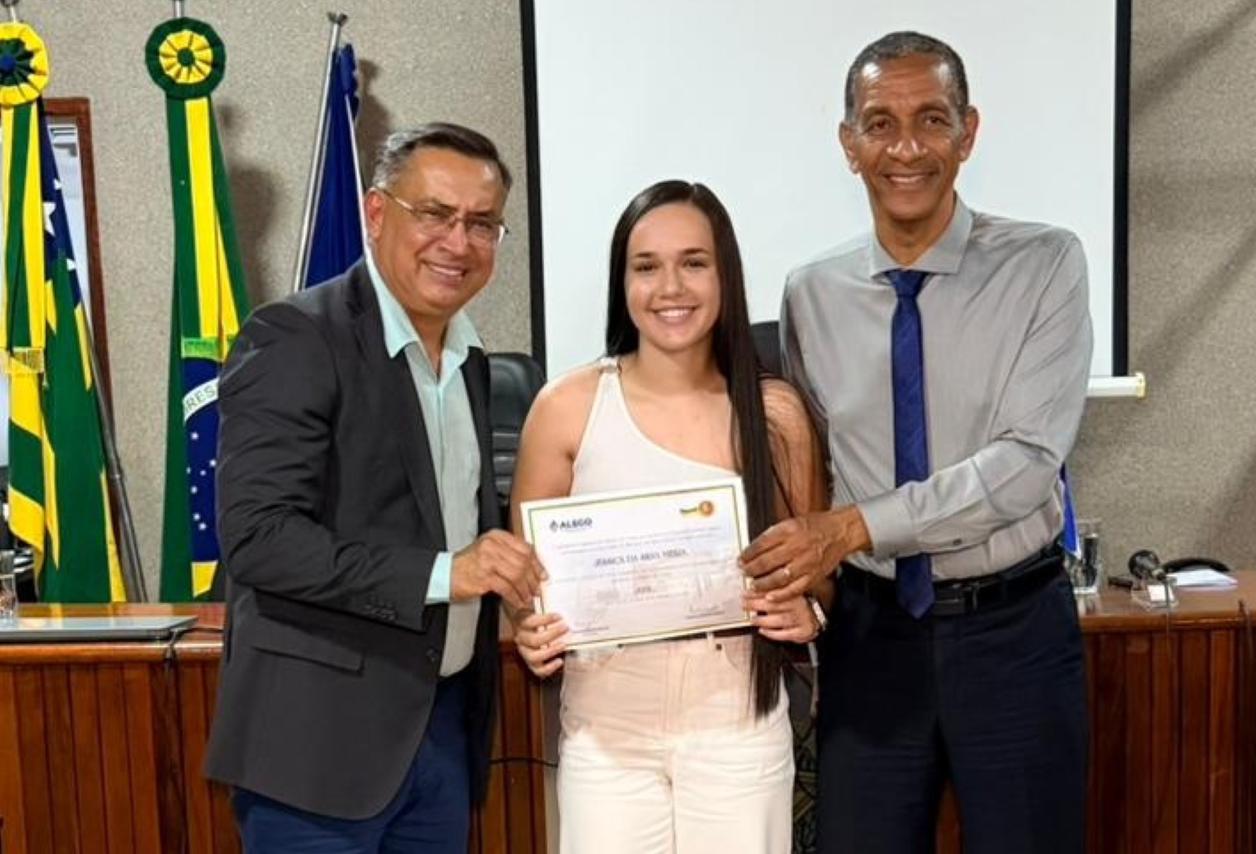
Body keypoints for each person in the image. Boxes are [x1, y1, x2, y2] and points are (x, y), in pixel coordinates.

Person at [739, 31, 1093, 854]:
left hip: (1013, 634)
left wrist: (854, 527)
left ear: (968, 133)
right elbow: (815, 469)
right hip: (872, 641)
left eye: (932, 119)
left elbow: (1026, 464)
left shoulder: (1046, 264)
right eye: (880, 123)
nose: (906, 148)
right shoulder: (810, 294)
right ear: (848, 144)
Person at [205, 123, 544, 853]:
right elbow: (260, 539)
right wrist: (446, 574)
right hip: (318, 754)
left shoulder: (470, 358)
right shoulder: (294, 337)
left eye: (481, 224)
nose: (458, 242)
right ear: (377, 212)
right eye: (436, 214)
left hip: (441, 734)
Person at [510, 180, 831, 854]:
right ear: (622, 282)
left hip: (738, 726)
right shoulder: (566, 406)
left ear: (725, 275)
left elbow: (819, 576)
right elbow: (526, 581)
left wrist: (808, 613)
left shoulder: (774, 413)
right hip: (606, 728)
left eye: (694, 263)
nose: (670, 288)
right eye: (646, 266)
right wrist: (530, 627)